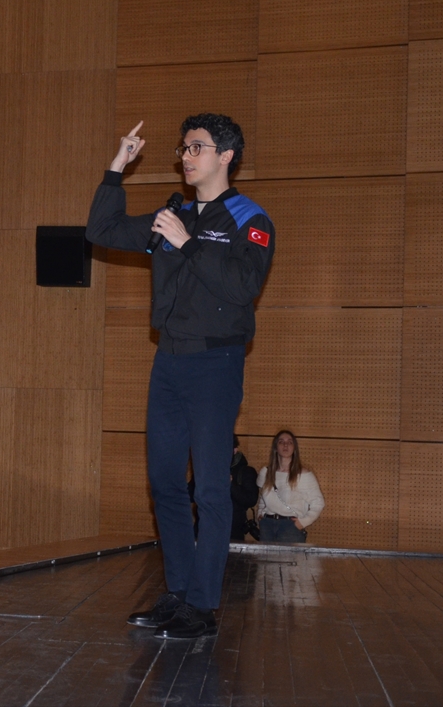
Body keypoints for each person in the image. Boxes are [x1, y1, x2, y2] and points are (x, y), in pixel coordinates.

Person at [87, 114, 274, 640]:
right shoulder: (175, 212)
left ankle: (204, 607)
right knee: (166, 484)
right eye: (183, 147)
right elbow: (99, 230)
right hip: (168, 361)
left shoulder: (249, 218)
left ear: (225, 156)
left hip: (215, 363)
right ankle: (177, 593)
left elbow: (242, 288)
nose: (186, 156)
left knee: (211, 489)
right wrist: (116, 168)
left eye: (197, 147)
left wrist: (189, 242)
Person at [256, 430, 324, 543]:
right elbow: (263, 498)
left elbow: (318, 503)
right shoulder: (266, 472)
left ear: (294, 448)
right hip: (267, 525)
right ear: (275, 447)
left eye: (289, 442)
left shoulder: (304, 475)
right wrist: (260, 515)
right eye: (281, 442)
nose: (285, 445)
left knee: (289, 560)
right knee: (266, 560)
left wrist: (303, 522)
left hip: (290, 526)